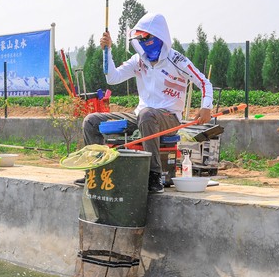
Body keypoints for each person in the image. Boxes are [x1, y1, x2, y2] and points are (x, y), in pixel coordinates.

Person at [80, 12, 213, 193]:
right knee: (91, 121)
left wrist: (206, 107)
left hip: (169, 117)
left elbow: (204, 82)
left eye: (146, 38)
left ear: (159, 36)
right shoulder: (139, 60)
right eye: (140, 39)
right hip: (141, 116)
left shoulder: (176, 60)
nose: (143, 42)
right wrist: (107, 50)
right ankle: (95, 173)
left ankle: (154, 175)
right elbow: (112, 78)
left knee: (147, 115)